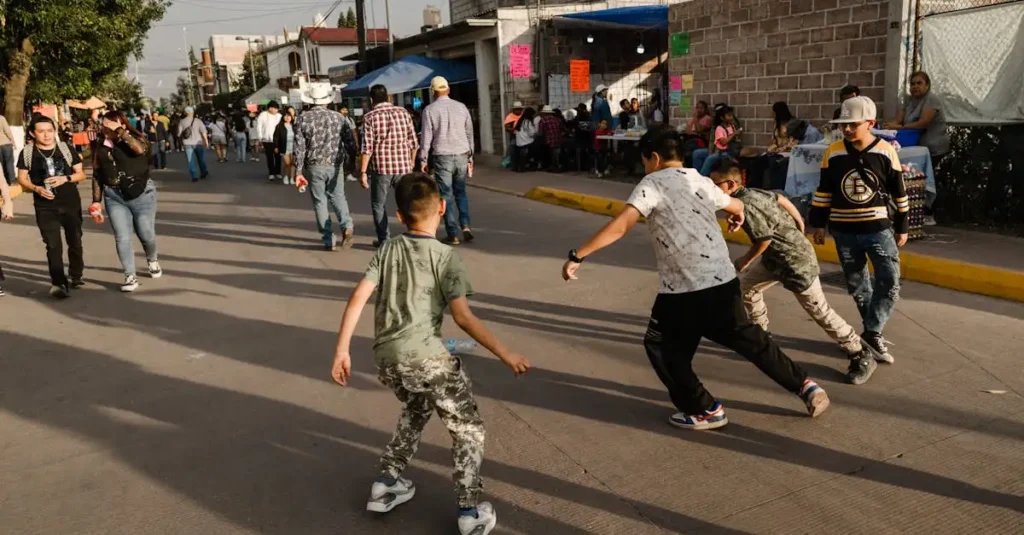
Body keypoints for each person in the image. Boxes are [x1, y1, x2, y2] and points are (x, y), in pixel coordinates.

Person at [561, 127, 830, 429]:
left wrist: (578, 255)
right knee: (751, 341)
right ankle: (806, 386)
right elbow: (738, 205)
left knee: (661, 348)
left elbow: (622, 225)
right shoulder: (698, 180)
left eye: (645, 160)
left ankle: (703, 409)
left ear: (654, 157)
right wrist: (737, 216)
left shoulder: (651, 184)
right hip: (723, 281)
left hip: (682, 290)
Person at [329, 173, 530, 535]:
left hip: (388, 360)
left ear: (400, 217)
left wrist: (342, 351)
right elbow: (464, 318)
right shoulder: (446, 257)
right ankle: (469, 512)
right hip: (428, 359)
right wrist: (506, 353)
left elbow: (358, 298)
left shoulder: (387, 249)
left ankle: (386, 481)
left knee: (417, 408)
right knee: (468, 430)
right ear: (442, 207)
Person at [709, 157, 884, 384]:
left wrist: (745, 260)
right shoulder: (752, 193)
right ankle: (761, 335)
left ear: (731, 185)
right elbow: (781, 199)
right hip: (775, 261)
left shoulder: (747, 203)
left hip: (796, 263)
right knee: (748, 289)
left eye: (716, 185)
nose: (713, 190)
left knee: (820, 311)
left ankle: (859, 352)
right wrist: (799, 222)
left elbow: (764, 239)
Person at [809, 96, 909, 373]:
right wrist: (818, 224)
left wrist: (903, 226)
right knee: (857, 284)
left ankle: (872, 331)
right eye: (844, 125)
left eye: (853, 124)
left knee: (889, 280)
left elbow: (899, 191)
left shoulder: (887, 151)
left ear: (870, 123)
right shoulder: (833, 153)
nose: (848, 130)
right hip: (843, 231)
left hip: (878, 230)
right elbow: (823, 191)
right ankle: (872, 334)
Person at [16, 116, 87, 298]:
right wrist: (36, 188)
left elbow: (81, 174)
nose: (46, 135)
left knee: (75, 240)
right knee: (53, 245)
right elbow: (22, 178)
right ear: (32, 133)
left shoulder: (66, 149)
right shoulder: (27, 153)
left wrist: (66, 178)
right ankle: (58, 283)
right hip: (45, 206)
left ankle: (76, 274)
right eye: (41, 131)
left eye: (50, 130)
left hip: (70, 202)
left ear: (55, 131)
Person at [90, 111, 162, 293]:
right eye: (104, 125)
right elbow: (97, 173)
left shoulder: (137, 139)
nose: (106, 128)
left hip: (142, 194)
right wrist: (96, 201)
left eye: (110, 124)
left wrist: (121, 133)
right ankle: (130, 275)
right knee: (122, 237)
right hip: (114, 196)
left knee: (146, 233)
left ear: (122, 124)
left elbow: (139, 151)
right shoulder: (100, 146)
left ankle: (152, 259)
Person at [293, 84, 358, 251]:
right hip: (336, 165)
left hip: (314, 166)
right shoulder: (339, 118)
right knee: (338, 197)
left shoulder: (302, 119)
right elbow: (350, 143)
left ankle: (328, 239)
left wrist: (298, 171)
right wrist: (352, 161)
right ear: (326, 101)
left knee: (320, 202)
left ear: (311, 101)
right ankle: (347, 226)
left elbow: (299, 148)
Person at [884, 71, 949, 226]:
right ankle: (913, 213)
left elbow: (923, 122)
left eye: (919, 83)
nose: (915, 87)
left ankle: (929, 212)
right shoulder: (908, 100)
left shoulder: (931, 99)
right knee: (911, 177)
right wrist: (888, 128)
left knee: (925, 178)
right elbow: (898, 120)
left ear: (927, 85)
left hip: (934, 147)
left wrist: (898, 127)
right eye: (912, 83)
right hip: (916, 145)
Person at [360, 84, 419, 248]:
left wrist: (363, 172)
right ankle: (413, 235)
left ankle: (384, 239)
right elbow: (414, 142)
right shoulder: (403, 113)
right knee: (407, 202)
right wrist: (412, 161)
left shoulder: (370, 117)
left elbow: (367, 148)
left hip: (382, 169)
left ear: (372, 100)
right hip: (403, 167)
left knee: (379, 205)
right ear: (388, 97)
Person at [419, 76, 475, 245]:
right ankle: (465, 225)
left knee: (446, 195)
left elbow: (426, 137)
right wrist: (470, 156)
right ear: (448, 90)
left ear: (433, 92)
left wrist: (423, 159)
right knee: (461, 192)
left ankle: (453, 233)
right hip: (462, 154)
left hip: (442, 156)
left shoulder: (429, 110)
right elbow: (469, 133)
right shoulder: (462, 107)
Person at [692, 104, 742, 176]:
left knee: (710, 159)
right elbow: (715, 141)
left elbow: (732, 140)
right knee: (697, 153)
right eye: (729, 115)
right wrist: (710, 150)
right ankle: (697, 175)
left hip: (726, 152)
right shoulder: (718, 127)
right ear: (721, 117)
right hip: (717, 150)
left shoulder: (733, 125)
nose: (731, 117)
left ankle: (701, 177)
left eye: (731, 115)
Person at [177, 106, 210, 182]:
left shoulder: (182, 121)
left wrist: (181, 142)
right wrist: (206, 141)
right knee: (201, 159)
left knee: (190, 160)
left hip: (187, 143)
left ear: (185, 113)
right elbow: (204, 132)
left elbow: (178, 134)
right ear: (193, 112)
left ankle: (194, 176)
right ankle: (203, 172)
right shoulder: (198, 121)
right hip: (198, 142)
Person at [258, 101, 284, 180]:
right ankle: (271, 173)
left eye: (277, 109)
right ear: (270, 108)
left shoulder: (279, 116)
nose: (276, 110)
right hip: (267, 139)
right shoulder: (263, 115)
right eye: (275, 108)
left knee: (278, 157)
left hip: (278, 140)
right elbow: (259, 126)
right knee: (270, 157)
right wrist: (260, 137)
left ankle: (278, 172)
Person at [536, 105, 565, 172]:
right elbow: (563, 129)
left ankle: (554, 167)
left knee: (552, 153)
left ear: (544, 113)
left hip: (549, 140)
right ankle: (557, 166)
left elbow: (540, 133)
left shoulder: (542, 120)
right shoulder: (557, 119)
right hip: (558, 139)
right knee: (557, 153)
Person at [513, 107, 538, 173]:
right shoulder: (528, 122)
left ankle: (520, 167)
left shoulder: (520, 120)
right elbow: (531, 133)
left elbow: (515, 131)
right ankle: (531, 164)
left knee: (521, 155)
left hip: (520, 141)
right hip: (527, 141)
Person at [339, 104, 359, 181]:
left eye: (346, 110)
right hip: (342, 142)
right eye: (343, 110)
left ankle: (350, 173)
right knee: (345, 159)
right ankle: (345, 174)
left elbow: (354, 131)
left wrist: (356, 143)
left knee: (351, 158)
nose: (345, 111)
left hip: (350, 142)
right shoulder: (337, 119)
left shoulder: (350, 119)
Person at [0, 114, 17, 186]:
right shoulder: (1, 118)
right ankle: (12, 181)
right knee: (9, 163)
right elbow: (7, 131)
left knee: (1, 165)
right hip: (6, 144)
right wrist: (13, 142)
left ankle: (4, 182)